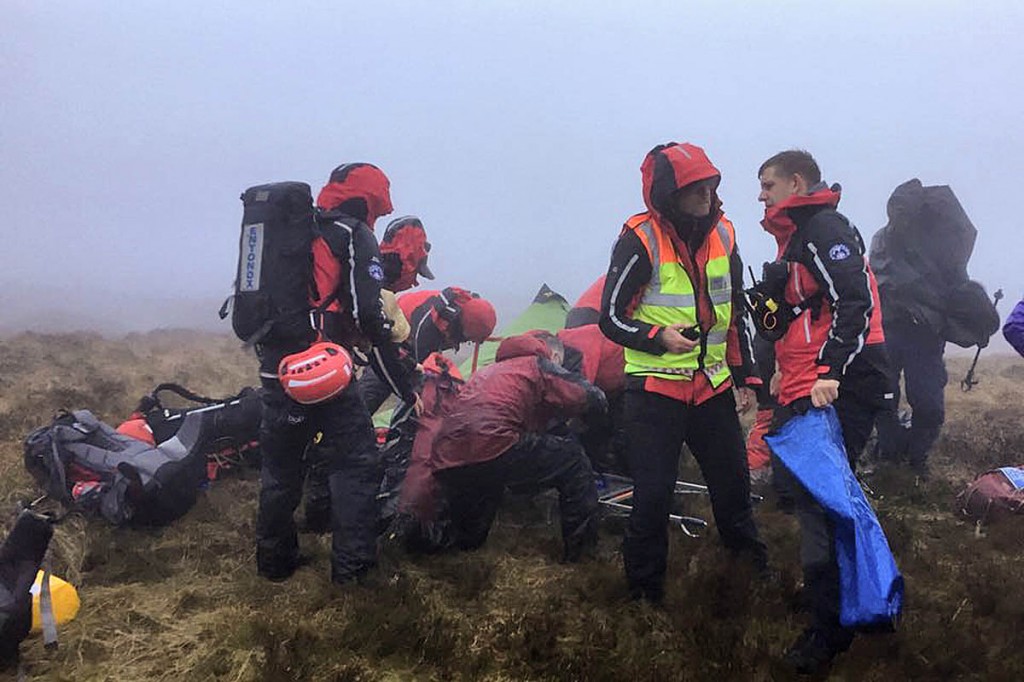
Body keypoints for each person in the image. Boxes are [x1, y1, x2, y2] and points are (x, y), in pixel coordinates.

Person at [598, 141, 767, 604]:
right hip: (653, 395)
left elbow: (733, 315)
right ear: (669, 194)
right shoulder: (639, 239)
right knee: (652, 501)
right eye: (695, 188)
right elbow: (609, 317)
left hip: (711, 391)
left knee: (733, 491)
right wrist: (658, 339)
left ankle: (754, 579)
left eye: (711, 185)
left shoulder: (726, 235)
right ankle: (644, 600)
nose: (706, 195)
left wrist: (744, 376)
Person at [756, 149, 895, 673]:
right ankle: (864, 602)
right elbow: (810, 314)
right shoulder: (798, 236)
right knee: (814, 495)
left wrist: (831, 372)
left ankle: (829, 627)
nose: (761, 194)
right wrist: (781, 369)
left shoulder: (822, 227)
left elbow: (855, 302)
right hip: (809, 381)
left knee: (819, 502)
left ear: (797, 182)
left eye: (768, 183)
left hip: (845, 381)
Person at [256, 162, 419, 584]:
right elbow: (368, 312)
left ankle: (274, 562)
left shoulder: (296, 233)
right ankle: (354, 571)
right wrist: (385, 344)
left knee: (280, 470)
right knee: (356, 464)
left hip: (276, 370)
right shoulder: (351, 234)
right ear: (369, 200)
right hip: (325, 372)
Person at [429, 333, 607, 561]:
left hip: (448, 453)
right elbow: (592, 397)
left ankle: (452, 553)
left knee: (475, 514)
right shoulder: (538, 365)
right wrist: (594, 428)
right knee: (573, 459)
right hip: (494, 443)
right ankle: (583, 557)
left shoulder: (489, 371)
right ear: (553, 355)